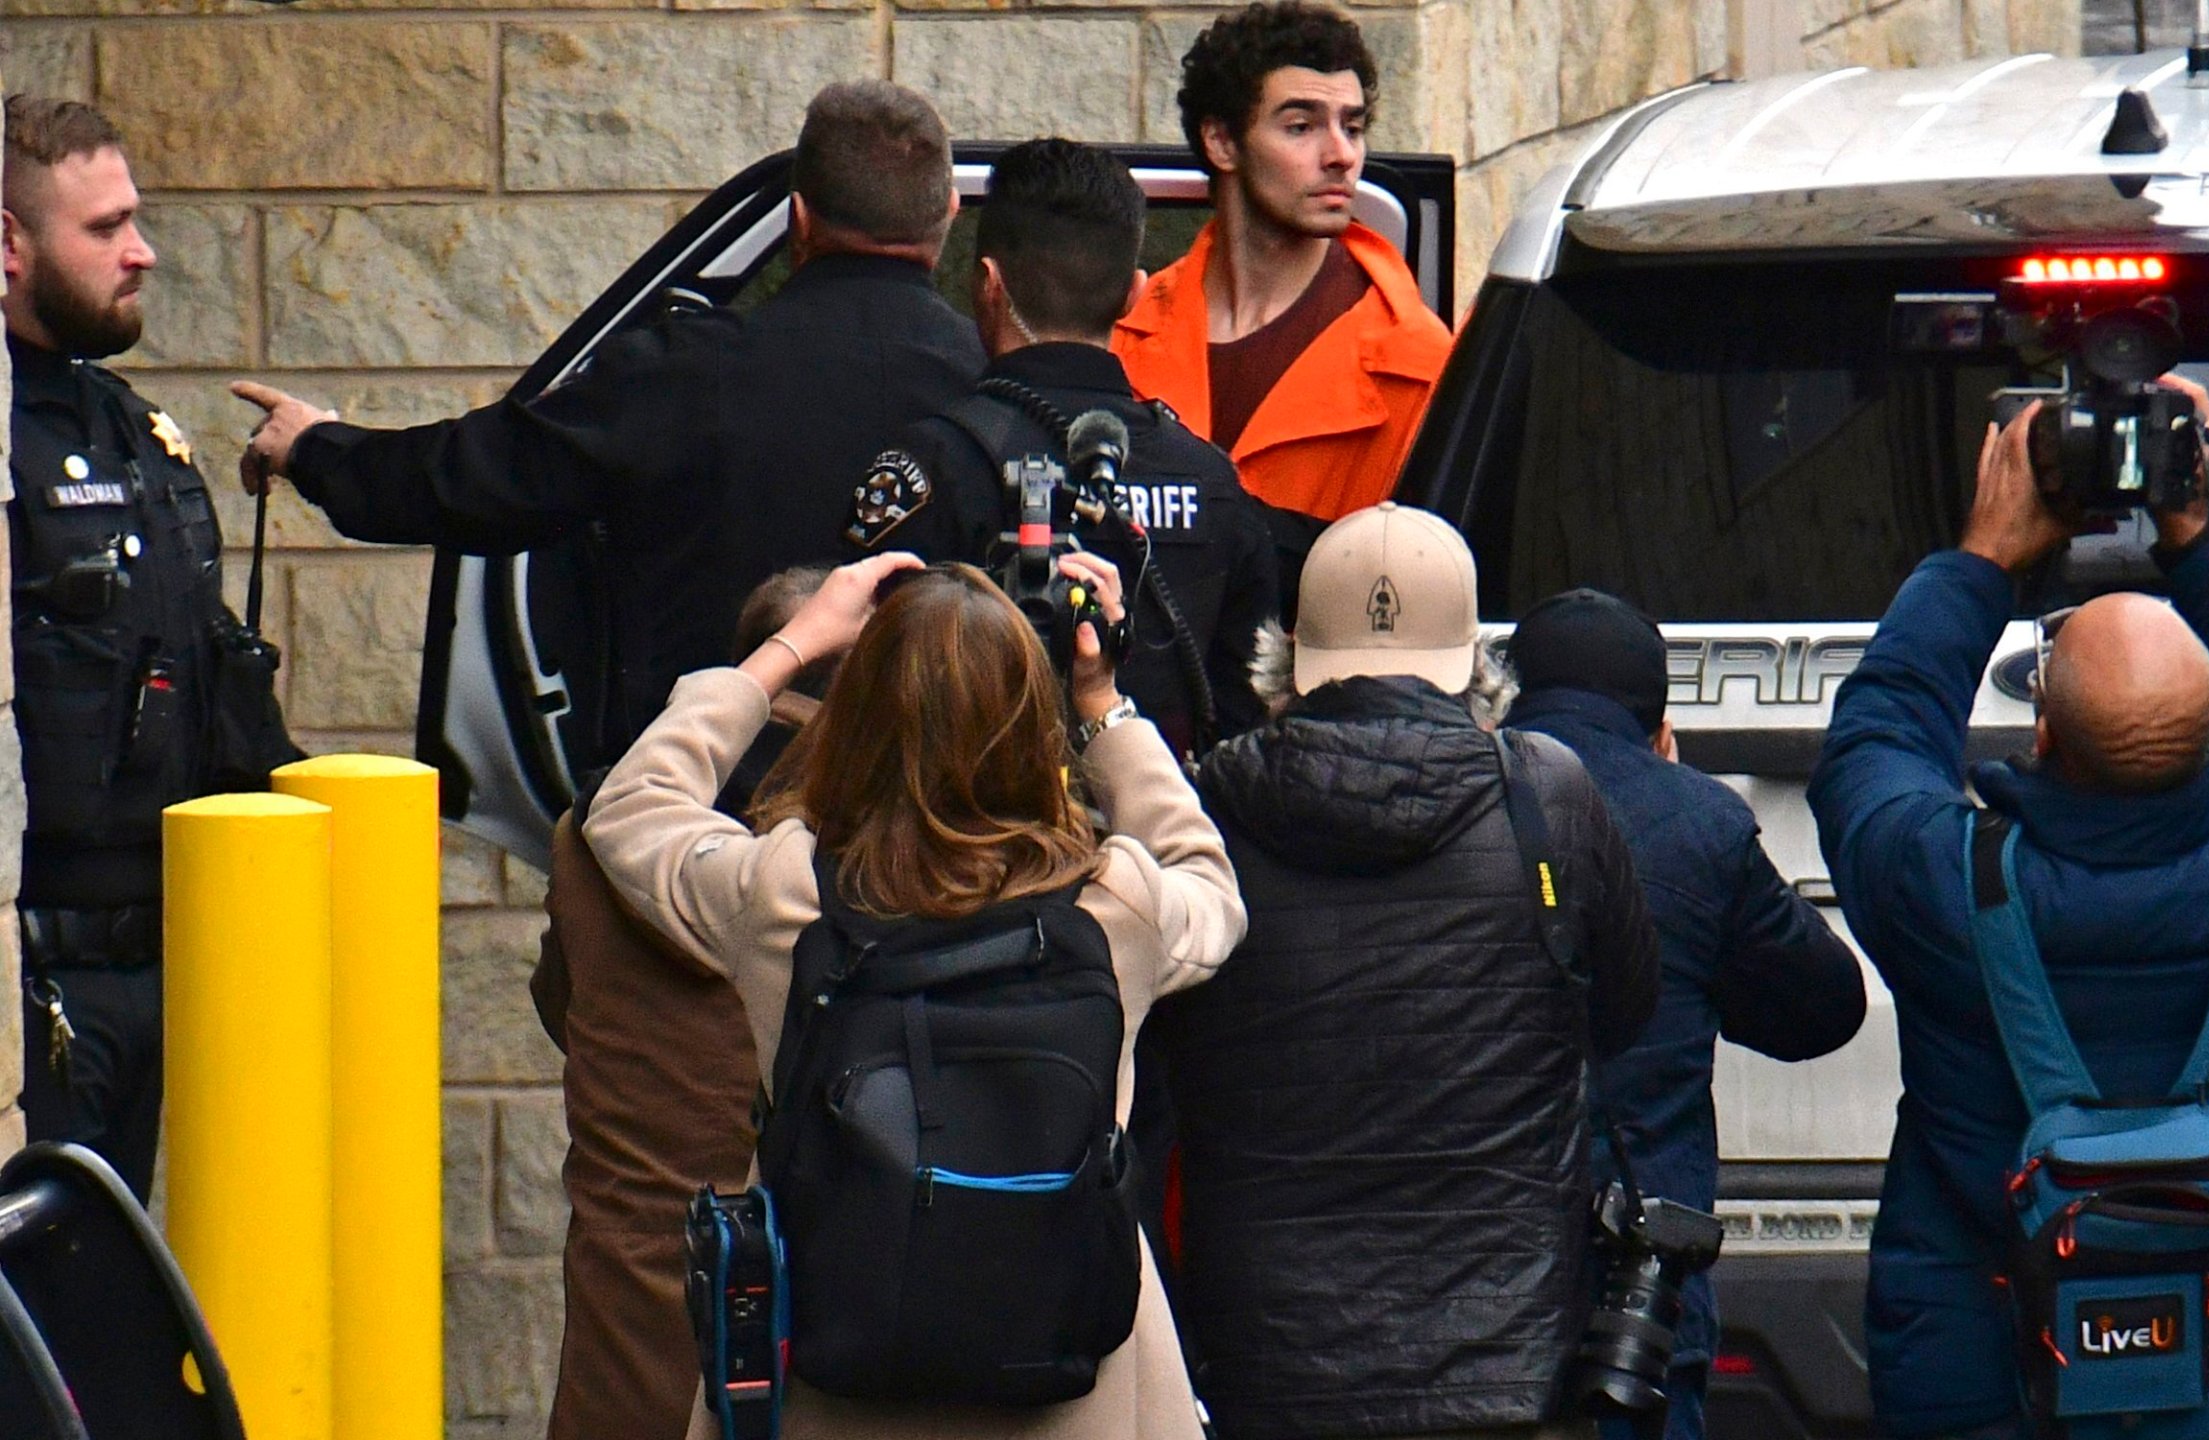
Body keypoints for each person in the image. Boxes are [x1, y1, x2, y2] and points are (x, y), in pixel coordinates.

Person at [1807, 380, 2209, 1440]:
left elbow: (1876, 738)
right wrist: (2195, 531)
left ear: (2038, 740)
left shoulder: (1938, 886)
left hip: (1983, 1379)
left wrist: (1981, 559)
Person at [583, 548, 1246, 1440]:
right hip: (1073, 1395)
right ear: (1029, 724)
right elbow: (1210, 882)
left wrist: (790, 646)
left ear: (855, 719)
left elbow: (629, 809)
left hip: (833, 1384)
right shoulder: (1116, 905)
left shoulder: (785, 897)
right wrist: (1102, 705)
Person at [232, 79, 983, 770]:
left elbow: (480, 479)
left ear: (799, 217)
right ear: (949, 212)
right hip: (931, 834)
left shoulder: (684, 372)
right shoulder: (997, 391)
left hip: (703, 819)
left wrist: (315, 448)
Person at [1151, 502, 1661, 1440]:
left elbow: (1157, 1045)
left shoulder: (1203, 807)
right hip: (1510, 1363)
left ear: (1289, 657)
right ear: (1475, 663)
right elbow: (1626, 1009)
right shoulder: (1544, 790)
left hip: (1269, 1362)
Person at [5, 96, 290, 1197]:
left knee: (105, 1310)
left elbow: (211, 674)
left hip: (157, 953)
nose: (144, 250)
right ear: (10, 246)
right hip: (39, 965)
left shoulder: (127, 427)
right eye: (105, 227)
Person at [1504, 587, 1868, 1440]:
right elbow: (1824, 1008)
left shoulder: (1462, 800)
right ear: (1660, 727)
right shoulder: (1700, 822)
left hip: (1477, 1290)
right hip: (1637, 1304)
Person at [527, 568, 836, 1440]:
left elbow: (565, 1011)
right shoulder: (852, 870)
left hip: (626, 1325)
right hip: (798, 1335)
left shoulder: (594, 837)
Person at [848, 137, 1275, 757]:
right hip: (1166, 840)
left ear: (987, 283)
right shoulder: (1211, 480)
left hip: (970, 844)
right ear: (1133, 294)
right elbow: (1248, 718)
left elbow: (864, 692)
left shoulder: (934, 466)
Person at [1114, 1, 1453, 613]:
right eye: (1301, 126)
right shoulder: (1128, 332)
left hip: (1325, 695)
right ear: (1221, 141)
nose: (1341, 155)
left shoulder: (1419, 363)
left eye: (1352, 126)